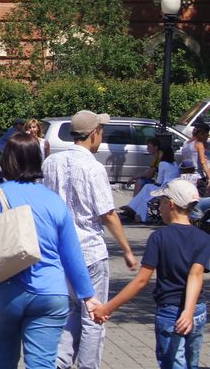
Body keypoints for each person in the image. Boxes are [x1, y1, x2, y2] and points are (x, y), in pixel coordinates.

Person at [0, 133, 99, 369]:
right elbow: (72, 254)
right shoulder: (54, 200)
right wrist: (88, 295)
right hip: (50, 294)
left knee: (1, 363)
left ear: (8, 161)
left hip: (4, 293)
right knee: (43, 364)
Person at [42, 109, 138, 368]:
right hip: (89, 251)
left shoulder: (51, 163)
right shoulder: (94, 168)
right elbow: (107, 213)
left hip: (60, 251)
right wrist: (127, 249)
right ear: (94, 133)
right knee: (94, 315)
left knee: (71, 309)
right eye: (101, 131)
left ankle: (60, 361)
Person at [93, 179, 210, 369]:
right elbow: (195, 275)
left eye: (161, 201)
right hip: (197, 309)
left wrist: (108, 307)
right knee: (191, 363)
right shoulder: (204, 238)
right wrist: (189, 311)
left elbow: (141, 281)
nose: (159, 206)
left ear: (170, 204)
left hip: (170, 311)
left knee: (173, 363)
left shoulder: (159, 237)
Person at [123, 144, 178, 223]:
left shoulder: (162, 163)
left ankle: (133, 207)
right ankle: (134, 209)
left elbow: (159, 181)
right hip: (173, 188)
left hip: (165, 189)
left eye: (160, 152)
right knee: (145, 194)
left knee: (146, 188)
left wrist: (154, 182)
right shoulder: (174, 163)